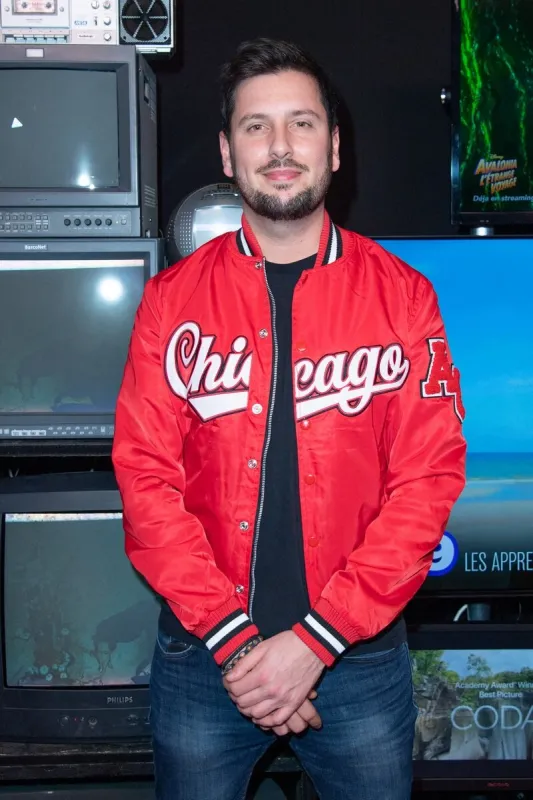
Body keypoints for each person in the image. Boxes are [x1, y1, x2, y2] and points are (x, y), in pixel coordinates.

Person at [112, 37, 466, 800]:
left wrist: (314, 642)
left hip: (358, 662)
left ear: (334, 147)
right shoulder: (171, 303)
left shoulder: (404, 298)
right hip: (205, 663)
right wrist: (241, 646)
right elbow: (144, 482)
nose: (279, 146)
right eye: (255, 126)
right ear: (227, 152)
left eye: (301, 124)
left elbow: (427, 481)